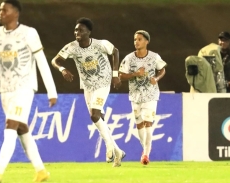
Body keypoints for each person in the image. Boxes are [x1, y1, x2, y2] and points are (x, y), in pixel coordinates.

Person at [0, 0, 57, 182]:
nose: (0, 13)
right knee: (21, 129)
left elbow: (41, 61)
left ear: (15, 14)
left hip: (24, 89)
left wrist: (51, 91)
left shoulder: (29, 33)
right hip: (5, 90)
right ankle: (41, 171)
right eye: (0, 10)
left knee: (10, 126)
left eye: (4, 10)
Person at [51, 17, 125, 167]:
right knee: (99, 118)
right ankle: (118, 151)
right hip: (87, 86)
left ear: (89, 32)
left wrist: (115, 75)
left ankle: (109, 147)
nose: (77, 32)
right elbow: (55, 60)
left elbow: (115, 51)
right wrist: (62, 69)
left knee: (94, 114)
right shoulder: (72, 47)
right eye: (76, 30)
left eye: (81, 30)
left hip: (103, 82)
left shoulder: (100, 44)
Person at [119, 30, 166, 165]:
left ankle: (146, 154)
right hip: (135, 95)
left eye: (139, 39)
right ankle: (145, 149)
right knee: (139, 123)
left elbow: (162, 69)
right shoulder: (129, 58)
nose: (136, 42)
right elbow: (121, 75)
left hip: (150, 94)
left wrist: (156, 78)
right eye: (135, 39)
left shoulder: (154, 57)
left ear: (146, 41)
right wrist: (135, 74)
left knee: (148, 122)